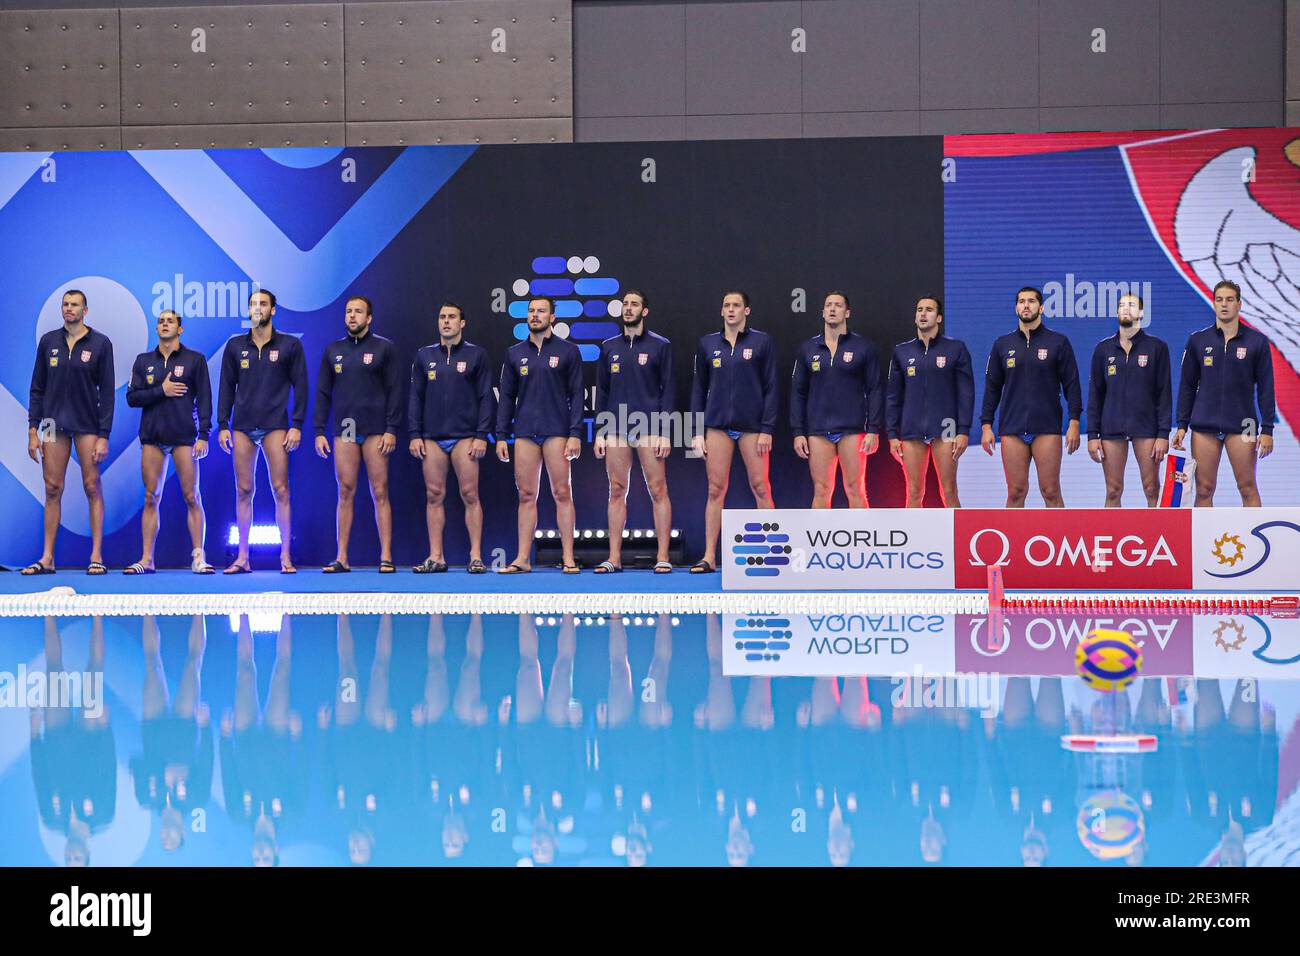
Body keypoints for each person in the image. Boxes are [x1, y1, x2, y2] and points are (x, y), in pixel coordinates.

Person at [216, 289, 308, 573]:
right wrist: (222, 425)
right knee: (244, 490)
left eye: (263, 304)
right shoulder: (235, 346)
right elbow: (226, 387)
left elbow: (302, 386)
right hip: (242, 426)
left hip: (276, 426)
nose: (258, 308)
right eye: (253, 304)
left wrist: (296, 425)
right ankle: (243, 558)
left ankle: (285, 557)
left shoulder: (290, 346)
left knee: (281, 490)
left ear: (273, 310)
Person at [23, 289, 114, 575]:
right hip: (50, 424)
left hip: (87, 423)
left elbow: (107, 393)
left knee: (91, 485)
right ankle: (47, 558)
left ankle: (96, 555)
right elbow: (37, 387)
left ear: (85, 310)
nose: (69, 309)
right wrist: (32, 430)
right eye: (65, 304)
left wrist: (104, 434)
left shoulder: (100, 343)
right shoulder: (48, 341)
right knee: (52, 488)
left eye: (75, 305)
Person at [689, 291, 777, 573]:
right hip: (717, 427)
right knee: (715, 490)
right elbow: (698, 389)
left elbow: (772, 387)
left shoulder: (761, 342)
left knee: (760, 487)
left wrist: (767, 428)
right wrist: (696, 431)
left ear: (746, 311)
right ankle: (708, 556)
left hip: (752, 427)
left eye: (736, 305)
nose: (730, 310)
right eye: (726, 305)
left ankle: (772, 551)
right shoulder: (707, 344)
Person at [495, 297, 584, 574]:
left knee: (561, 492)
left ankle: (568, 557)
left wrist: (575, 433)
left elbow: (578, 394)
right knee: (526, 495)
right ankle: (522, 558)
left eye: (541, 311)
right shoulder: (514, 353)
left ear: (553, 317)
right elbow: (507, 396)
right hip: (524, 433)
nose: (535, 315)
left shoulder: (569, 351)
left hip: (557, 431)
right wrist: (500, 434)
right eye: (531, 311)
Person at [314, 295, 402, 572]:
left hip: (376, 431)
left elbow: (395, 392)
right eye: (349, 311)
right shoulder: (333, 351)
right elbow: (323, 393)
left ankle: (386, 556)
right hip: (345, 432)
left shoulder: (384, 348)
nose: (352, 316)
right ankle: (342, 557)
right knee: (345, 491)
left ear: (369, 318)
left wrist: (391, 429)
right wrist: (319, 431)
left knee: (380, 491)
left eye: (358, 312)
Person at [124, 309, 214, 573]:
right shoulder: (143, 361)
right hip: (153, 438)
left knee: (191, 496)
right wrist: (160, 391)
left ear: (180, 329)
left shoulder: (195, 360)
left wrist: (204, 435)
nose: (165, 324)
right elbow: (132, 398)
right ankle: (147, 560)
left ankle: (199, 557)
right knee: (151, 497)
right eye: (161, 321)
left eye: (170, 321)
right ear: (157, 329)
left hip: (184, 438)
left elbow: (205, 399)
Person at [1172, 280, 1276, 506]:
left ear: (1239, 304)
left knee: (1247, 486)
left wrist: (1267, 429)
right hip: (1204, 425)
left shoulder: (1257, 342)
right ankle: (1203, 541)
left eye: (1230, 299)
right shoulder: (1198, 341)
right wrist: (1181, 425)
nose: (1224, 304)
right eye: (1219, 299)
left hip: (1245, 424)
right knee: (1204, 489)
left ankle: (1256, 541)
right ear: (1214, 303)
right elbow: (1187, 386)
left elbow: (1266, 387)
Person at [408, 301, 494, 573]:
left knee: (470, 493)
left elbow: (485, 399)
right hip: (432, 437)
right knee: (434, 495)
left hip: (465, 436)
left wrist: (482, 435)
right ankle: (436, 557)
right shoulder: (424, 356)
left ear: (462, 323)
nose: (446, 321)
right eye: (442, 317)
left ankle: (476, 556)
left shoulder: (476, 355)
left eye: (452, 317)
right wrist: (414, 434)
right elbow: (415, 398)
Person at [593, 289, 674, 573]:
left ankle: (663, 556)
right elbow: (602, 392)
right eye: (625, 304)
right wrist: (600, 431)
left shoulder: (660, 345)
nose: (628, 309)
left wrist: (665, 431)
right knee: (616, 490)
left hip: (649, 424)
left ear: (645, 311)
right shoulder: (608, 346)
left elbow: (668, 390)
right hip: (615, 425)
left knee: (658, 489)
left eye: (634, 304)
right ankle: (614, 557)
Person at [980, 287, 1082, 507]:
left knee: (1051, 490)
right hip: (1012, 428)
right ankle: (1012, 541)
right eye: (1021, 301)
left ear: (1041, 307)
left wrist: (1074, 422)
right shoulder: (1002, 345)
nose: (1026, 305)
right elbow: (992, 387)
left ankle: (1059, 540)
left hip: (1046, 427)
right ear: (1016, 308)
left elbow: (1072, 384)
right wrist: (986, 425)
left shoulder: (1058, 342)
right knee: (1016, 492)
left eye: (1032, 301)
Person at [790, 290, 882, 508]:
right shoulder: (807, 348)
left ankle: (863, 543)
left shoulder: (863, 347)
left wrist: (873, 430)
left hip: (852, 429)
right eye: (828, 305)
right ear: (822, 312)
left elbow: (875, 389)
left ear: (847, 312)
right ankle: (820, 543)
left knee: (855, 488)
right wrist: (797, 432)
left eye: (838, 305)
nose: (832, 309)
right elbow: (798, 392)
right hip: (818, 430)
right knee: (821, 489)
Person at [886, 295, 974, 508]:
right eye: (919, 310)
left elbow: (966, 393)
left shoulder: (956, 348)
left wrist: (962, 430)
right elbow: (893, 396)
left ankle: (957, 540)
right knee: (914, 492)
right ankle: (913, 541)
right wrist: (892, 434)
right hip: (911, 428)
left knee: (949, 490)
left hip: (946, 427)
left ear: (939, 317)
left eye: (929, 309)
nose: (923, 313)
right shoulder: (902, 351)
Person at [1086, 293, 1173, 507]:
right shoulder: (1103, 350)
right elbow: (1095, 394)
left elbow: (1164, 393)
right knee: (1113, 490)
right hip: (1111, 428)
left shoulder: (1157, 347)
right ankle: (1113, 538)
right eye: (1122, 305)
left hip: (1147, 429)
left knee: (1152, 488)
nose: (1126, 308)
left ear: (1141, 313)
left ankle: (1157, 537)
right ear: (1116, 312)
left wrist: (1163, 434)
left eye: (1132, 305)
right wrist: (1092, 435)